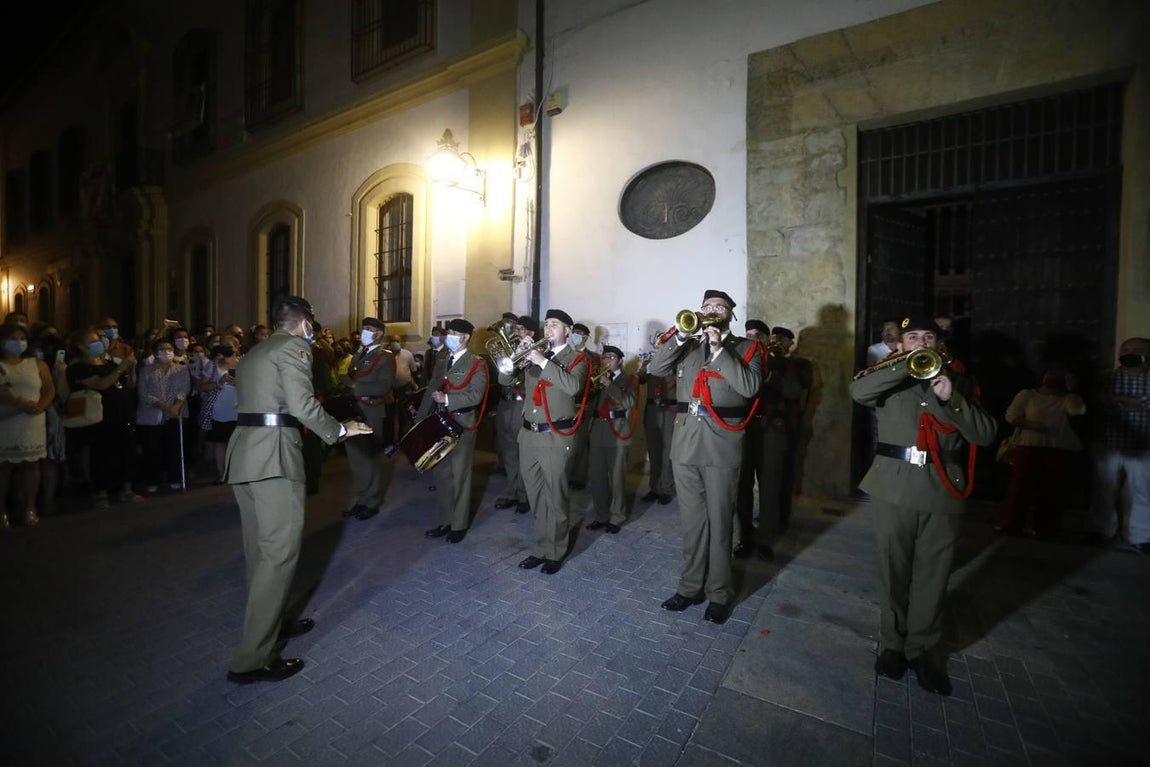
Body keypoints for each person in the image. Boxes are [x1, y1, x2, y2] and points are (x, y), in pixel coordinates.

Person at [224, 296, 372, 684]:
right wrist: (340, 430)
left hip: (245, 456)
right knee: (278, 555)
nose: (314, 330)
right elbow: (302, 404)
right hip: (273, 457)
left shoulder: (257, 350)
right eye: (312, 323)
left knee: (260, 551)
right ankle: (252, 659)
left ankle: (275, 622)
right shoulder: (293, 347)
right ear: (303, 322)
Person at [850, 314, 996, 696]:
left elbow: (985, 433)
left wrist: (952, 398)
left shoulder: (959, 381)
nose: (920, 342)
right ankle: (892, 645)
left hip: (943, 488)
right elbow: (858, 394)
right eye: (911, 336)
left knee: (934, 574)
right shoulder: (886, 375)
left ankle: (924, 651)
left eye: (927, 336)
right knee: (893, 569)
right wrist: (902, 365)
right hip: (895, 485)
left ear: (939, 344)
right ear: (899, 344)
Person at [648, 290, 761, 625]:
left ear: (730, 314)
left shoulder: (748, 348)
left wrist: (719, 349)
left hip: (722, 443)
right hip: (685, 443)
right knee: (693, 522)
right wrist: (681, 335)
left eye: (720, 308)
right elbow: (656, 368)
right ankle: (690, 586)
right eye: (707, 307)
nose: (713, 311)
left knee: (721, 522)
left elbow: (749, 386)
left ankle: (719, 593)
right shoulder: (688, 346)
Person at [512, 309, 590, 575]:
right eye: (546, 325)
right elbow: (504, 378)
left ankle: (556, 550)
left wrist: (543, 362)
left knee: (555, 495)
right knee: (535, 495)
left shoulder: (578, 358)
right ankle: (542, 547)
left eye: (554, 325)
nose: (548, 329)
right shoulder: (533, 356)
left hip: (556, 436)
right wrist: (516, 356)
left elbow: (572, 386)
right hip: (529, 435)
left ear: (568, 330)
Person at [419, 319, 489, 543]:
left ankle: (458, 525)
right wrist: (419, 421)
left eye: (454, 333)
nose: (448, 336)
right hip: (441, 422)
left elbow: (476, 396)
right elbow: (431, 389)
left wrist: (448, 399)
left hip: (463, 423)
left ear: (466, 337)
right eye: (448, 332)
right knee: (441, 474)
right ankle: (445, 520)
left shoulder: (477, 364)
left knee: (460, 475)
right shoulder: (443, 359)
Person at [996, 371, 1086, 537]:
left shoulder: (1066, 398)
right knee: (1019, 488)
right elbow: (1012, 416)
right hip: (1028, 446)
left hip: (1058, 449)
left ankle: (1045, 528)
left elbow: (1077, 411)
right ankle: (1011, 524)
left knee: (1052, 490)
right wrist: (1031, 425)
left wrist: (1073, 390)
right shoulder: (1027, 395)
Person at [65, 327, 141, 509]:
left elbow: (129, 384)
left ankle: (126, 489)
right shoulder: (78, 368)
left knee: (127, 452)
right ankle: (101, 492)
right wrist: (123, 366)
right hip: (99, 418)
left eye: (99, 339)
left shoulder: (109, 364)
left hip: (121, 415)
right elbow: (102, 384)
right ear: (81, 346)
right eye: (93, 341)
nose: (99, 343)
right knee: (102, 456)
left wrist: (131, 368)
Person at [1091, 337, 1150, 553]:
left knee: (1144, 492)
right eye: (1125, 349)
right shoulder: (1108, 377)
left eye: (1136, 350)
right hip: (1109, 444)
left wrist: (1116, 400)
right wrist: (1135, 402)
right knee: (1104, 490)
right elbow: (1098, 403)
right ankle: (1102, 531)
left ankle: (1142, 537)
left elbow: (1145, 402)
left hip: (1144, 446)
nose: (1129, 353)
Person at [735, 319, 781, 561]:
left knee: (769, 487)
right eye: (748, 334)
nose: (752, 339)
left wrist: (772, 370)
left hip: (770, 430)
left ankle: (765, 539)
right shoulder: (740, 358)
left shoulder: (779, 361)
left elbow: (790, 391)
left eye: (757, 335)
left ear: (766, 338)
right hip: (744, 428)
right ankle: (745, 537)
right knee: (742, 485)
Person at [0, 324, 54, 528]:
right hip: (6, 420)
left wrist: (40, 406)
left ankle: (30, 507)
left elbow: (49, 389)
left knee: (31, 465)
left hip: (32, 420)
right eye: (12, 338)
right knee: (4, 467)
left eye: (22, 337)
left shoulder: (37, 365)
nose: (18, 342)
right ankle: (1, 510)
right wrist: (18, 403)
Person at [341, 317, 396, 520]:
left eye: (369, 329)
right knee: (356, 458)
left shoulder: (384, 357)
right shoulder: (360, 354)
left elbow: (383, 386)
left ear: (379, 333)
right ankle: (360, 499)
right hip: (355, 408)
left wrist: (356, 387)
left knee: (369, 457)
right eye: (363, 328)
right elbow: (348, 375)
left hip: (371, 409)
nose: (364, 332)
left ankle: (371, 501)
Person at [586, 345, 637, 533]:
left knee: (616, 478)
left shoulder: (629, 379)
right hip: (598, 429)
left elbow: (628, 402)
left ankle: (617, 516)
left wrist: (609, 384)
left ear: (620, 361)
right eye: (605, 356)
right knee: (597, 477)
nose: (607, 360)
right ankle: (601, 516)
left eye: (612, 357)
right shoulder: (597, 378)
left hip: (617, 431)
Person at [135, 338, 191, 493]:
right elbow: (144, 393)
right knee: (152, 449)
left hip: (176, 414)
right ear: (155, 353)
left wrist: (176, 406)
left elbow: (184, 389)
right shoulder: (146, 370)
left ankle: (175, 477)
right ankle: (153, 479)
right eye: (162, 349)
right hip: (152, 414)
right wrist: (166, 406)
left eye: (169, 349)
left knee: (174, 448)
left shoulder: (181, 369)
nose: (167, 352)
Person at [493, 316, 535, 514]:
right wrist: (512, 357)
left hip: (523, 406)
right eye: (516, 328)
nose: (517, 332)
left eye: (522, 329)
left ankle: (525, 495)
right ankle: (513, 492)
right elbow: (503, 378)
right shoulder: (508, 349)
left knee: (524, 455)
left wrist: (526, 356)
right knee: (508, 453)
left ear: (532, 333)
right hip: (505, 404)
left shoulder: (537, 353)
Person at [638, 352, 677, 506]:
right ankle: (654, 487)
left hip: (670, 410)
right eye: (661, 345)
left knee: (667, 452)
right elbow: (640, 380)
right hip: (653, 410)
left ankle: (666, 488)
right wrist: (644, 368)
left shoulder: (677, 361)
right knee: (654, 451)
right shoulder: (650, 362)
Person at [565, 322, 595, 490]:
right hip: (563, 404)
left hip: (582, 403)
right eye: (573, 332)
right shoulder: (565, 354)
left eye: (579, 333)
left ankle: (578, 477)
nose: (575, 335)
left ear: (585, 337)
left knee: (581, 443)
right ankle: (565, 475)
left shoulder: (593, 357)